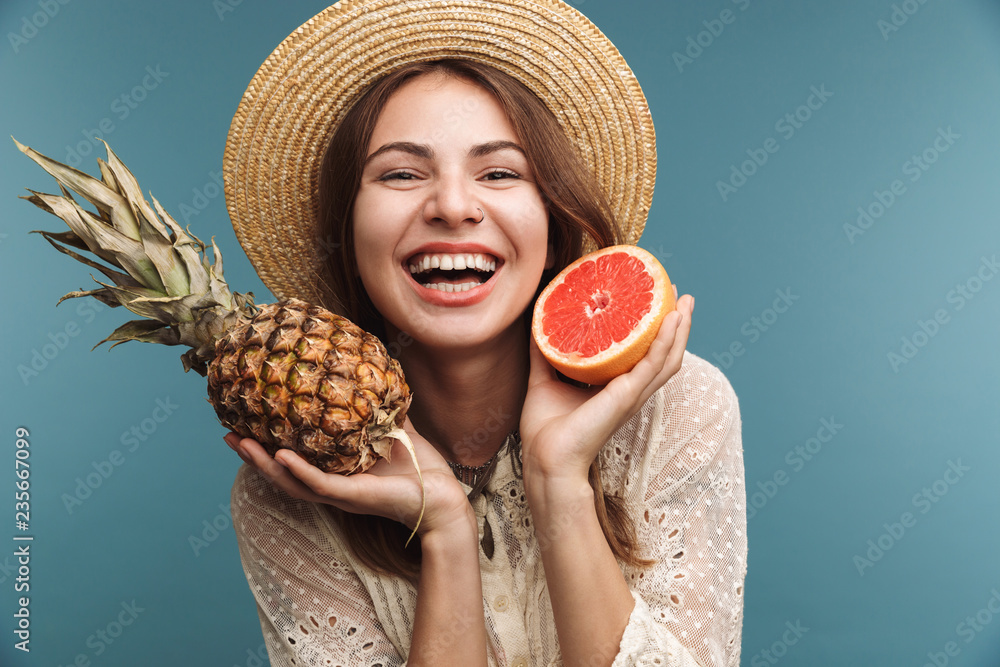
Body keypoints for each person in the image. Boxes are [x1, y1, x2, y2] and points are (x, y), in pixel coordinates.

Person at [221, 1, 747, 665]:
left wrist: (558, 483)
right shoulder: (291, 483)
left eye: (499, 171)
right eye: (401, 173)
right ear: (347, 231)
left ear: (552, 223)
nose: (452, 205)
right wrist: (443, 527)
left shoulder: (677, 409)